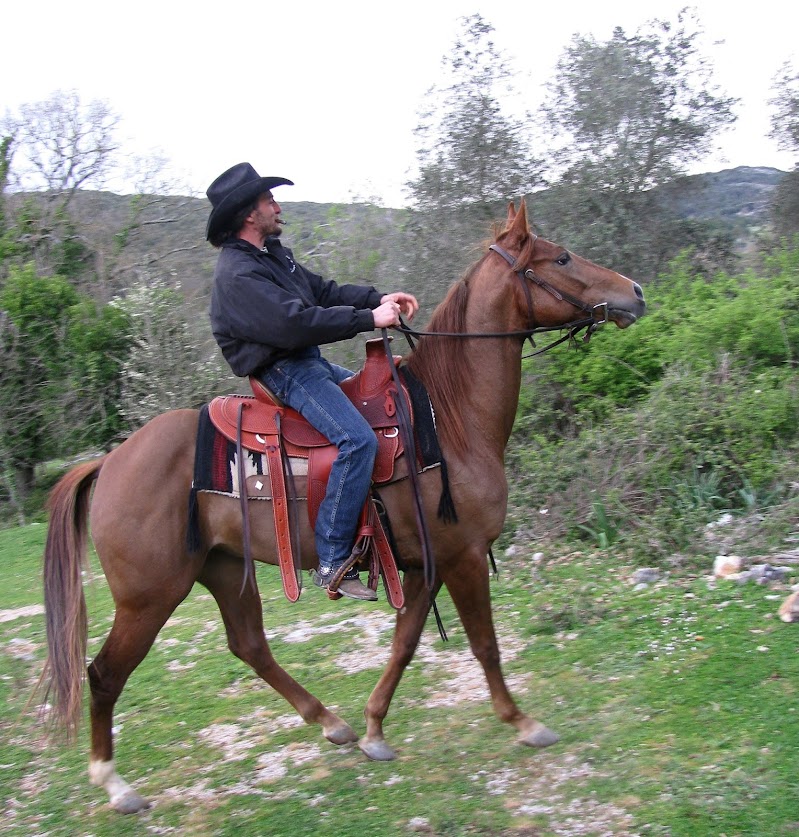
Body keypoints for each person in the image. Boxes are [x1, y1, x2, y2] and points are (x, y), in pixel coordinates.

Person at [206, 162, 419, 601]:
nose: (277, 207)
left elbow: (322, 291)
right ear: (249, 214)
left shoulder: (272, 256)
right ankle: (332, 557)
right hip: (285, 370)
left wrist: (377, 298)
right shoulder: (237, 275)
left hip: (308, 362)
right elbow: (294, 325)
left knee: (394, 397)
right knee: (357, 440)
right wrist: (367, 320)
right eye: (269, 201)